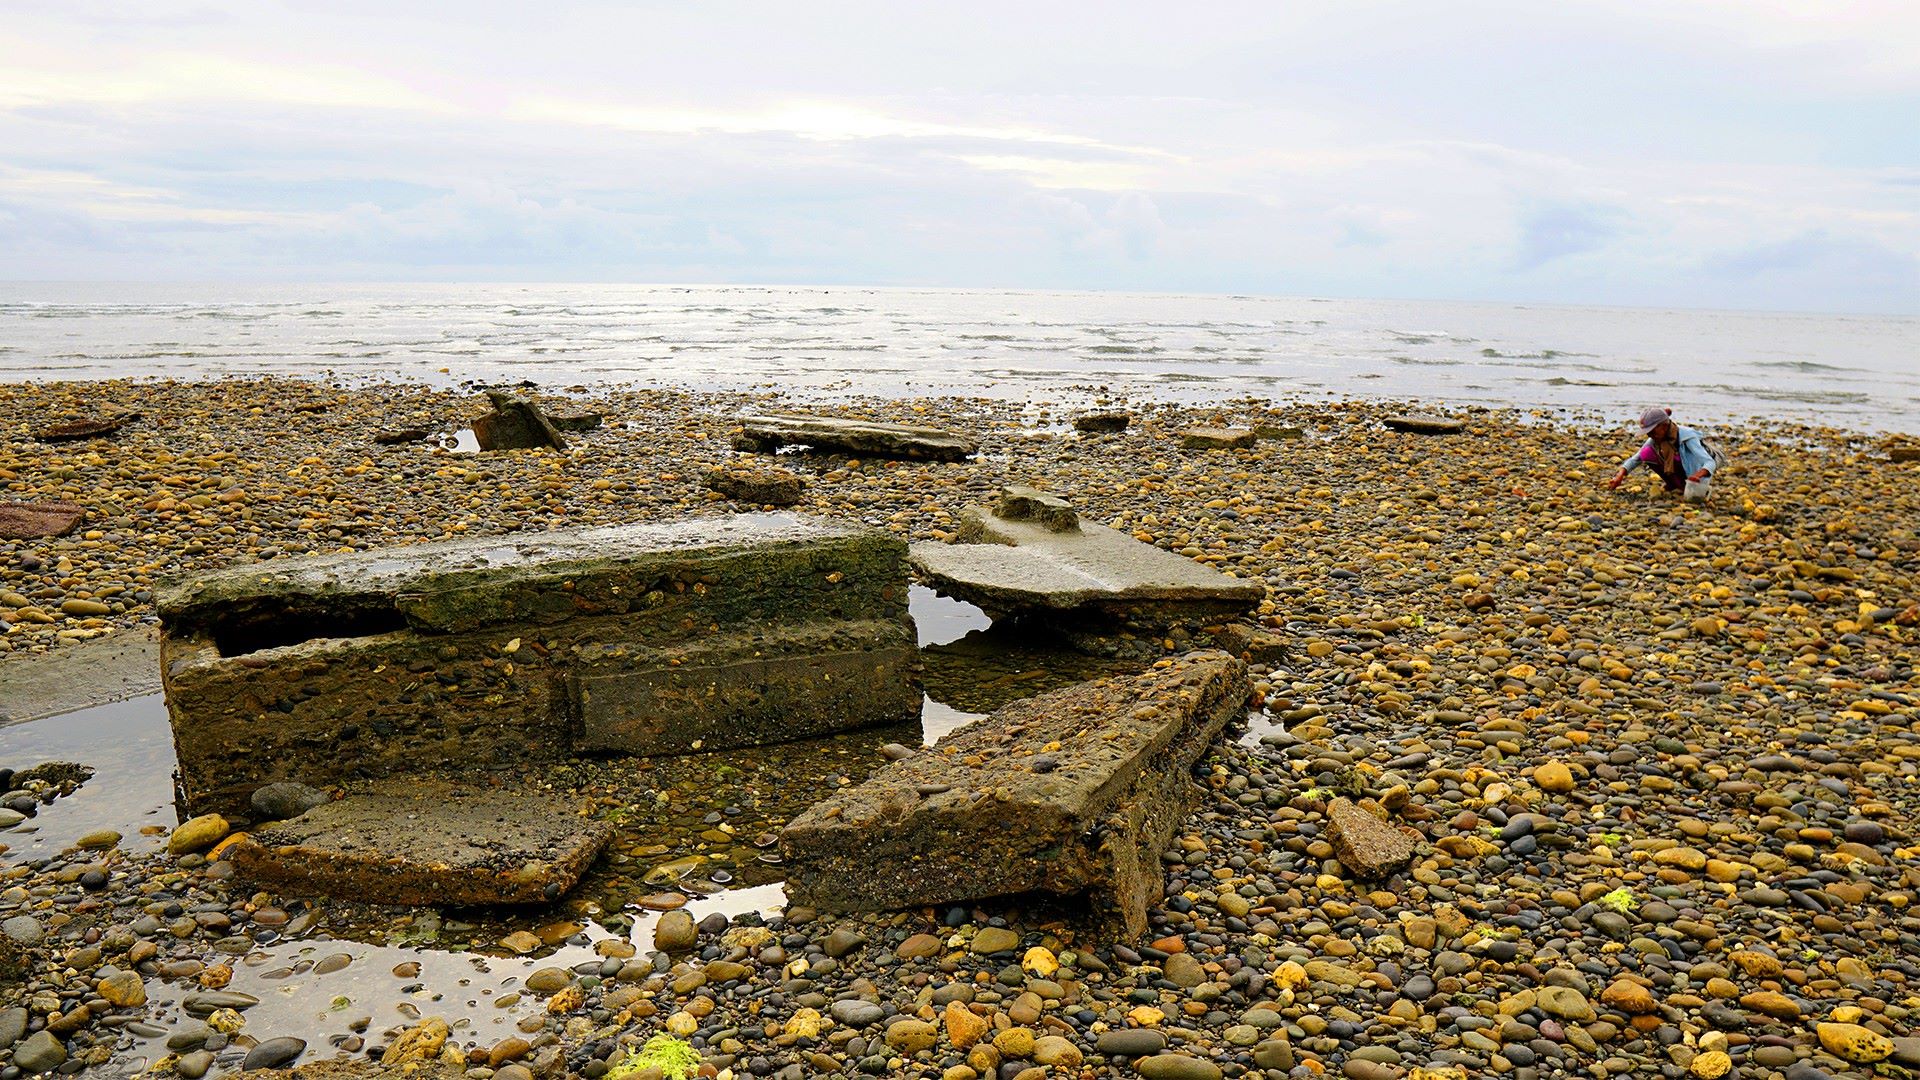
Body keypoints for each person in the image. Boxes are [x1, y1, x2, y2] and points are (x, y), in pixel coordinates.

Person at [1607, 407, 1723, 500]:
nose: (1650, 435)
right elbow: (1636, 459)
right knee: (1646, 453)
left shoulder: (1687, 436)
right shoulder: (1656, 438)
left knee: (1677, 457)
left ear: (1664, 426)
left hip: (1695, 474)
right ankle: (1673, 484)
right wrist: (1620, 475)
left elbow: (1709, 462)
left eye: (1652, 431)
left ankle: (1682, 485)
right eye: (1648, 432)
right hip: (1685, 472)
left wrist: (1697, 475)